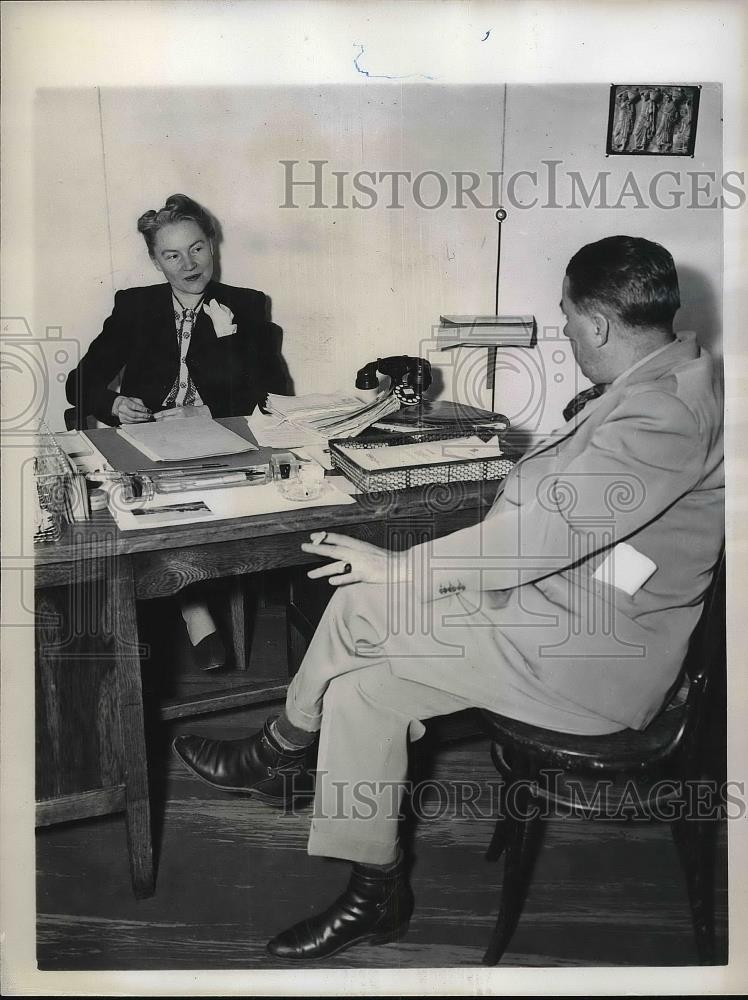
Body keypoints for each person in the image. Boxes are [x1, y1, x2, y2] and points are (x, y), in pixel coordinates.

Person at [173, 236, 724, 959]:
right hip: (573, 609)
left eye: (565, 317)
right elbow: (624, 542)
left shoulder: (666, 413)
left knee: (363, 601)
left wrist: (402, 567)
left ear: (596, 325)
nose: (564, 330)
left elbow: (557, 531)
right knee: (365, 692)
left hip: (597, 662)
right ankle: (377, 892)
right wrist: (554, 560)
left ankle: (278, 751)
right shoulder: (663, 381)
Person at [66, 193, 288, 669]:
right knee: (150, 498)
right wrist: (114, 402)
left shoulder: (246, 306)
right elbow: (78, 384)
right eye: (172, 254)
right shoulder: (136, 307)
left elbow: (273, 393)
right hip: (148, 439)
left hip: (218, 438)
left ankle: (191, 601)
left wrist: (209, 408)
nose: (188, 264)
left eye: (197, 248)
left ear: (212, 245)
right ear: (155, 260)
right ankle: (194, 608)